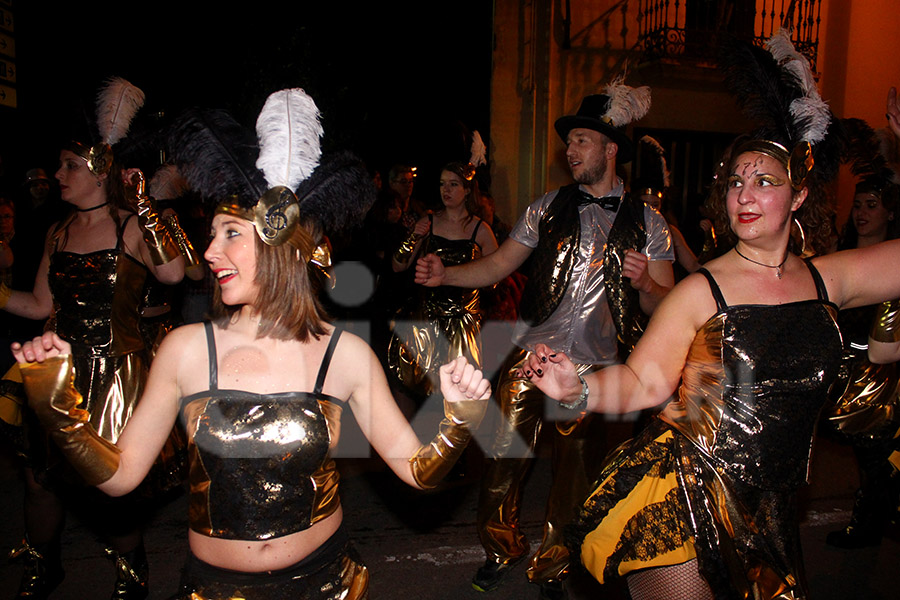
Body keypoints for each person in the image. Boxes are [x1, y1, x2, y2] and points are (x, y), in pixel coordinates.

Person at [12, 88, 491, 600]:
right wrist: (58, 410)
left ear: (277, 242)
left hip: (327, 586)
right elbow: (120, 478)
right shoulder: (186, 349)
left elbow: (419, 473)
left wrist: (459, 420)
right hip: (214, 590)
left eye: (230, 233)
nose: (210, 250)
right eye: (213, 232)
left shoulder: (343, 354)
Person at [516, 34, 900, 599]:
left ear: (797, 197)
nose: (744, 193)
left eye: (764, 181)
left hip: (771, 510)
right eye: (736, 182)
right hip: (686, 495)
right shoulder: (703, 289)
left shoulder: (829, 280)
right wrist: (579, 390)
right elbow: (644, 381)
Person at [416, 81, 674, 600]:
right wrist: (447, 274)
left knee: (574, 479)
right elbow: (497, 265)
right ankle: (501, 547)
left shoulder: (650, 222)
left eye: (581, 140)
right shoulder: (547, 207)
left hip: (597, 371)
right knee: (500, 460)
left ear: (609, 149)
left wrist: (647, 283)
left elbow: (664, 305)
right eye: (569, 142)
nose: (570, 150)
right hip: (532, 359)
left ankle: (555, 564)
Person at [0, 78, 187, 600]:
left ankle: (131, 569)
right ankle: (44, 566)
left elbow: (174, 276)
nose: (58, 175)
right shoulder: (57, 232)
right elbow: (39, 305)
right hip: (60, 371)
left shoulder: (131, 227)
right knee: (40, 480)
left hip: (115, 375)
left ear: (100, 172)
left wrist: (147, 207)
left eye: (69, 167)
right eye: (59, 167)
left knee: (110, 488)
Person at [820, 119, 900, 549]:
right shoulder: (843, 255)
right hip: (847, 372)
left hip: (884, 374)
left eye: (872, 204)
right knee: (866, 456)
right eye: (858, 205)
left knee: (877, 456)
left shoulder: (896, 262)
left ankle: (868, 525)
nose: (863, 213)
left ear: (890, 211)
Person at [389, 161, 498, 402]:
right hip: (425, 324)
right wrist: (414, 237)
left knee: (457, 398)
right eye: (442, 184)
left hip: (461, 328)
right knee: (409, 393)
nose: (445, 190)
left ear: (467, 190)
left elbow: (495, 280)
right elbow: (398, 265)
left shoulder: (480, 230)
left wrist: (473, 268)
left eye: (453, 184)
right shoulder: (428, 221)